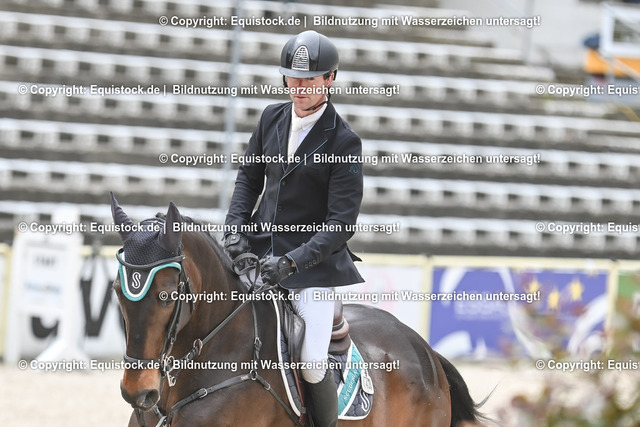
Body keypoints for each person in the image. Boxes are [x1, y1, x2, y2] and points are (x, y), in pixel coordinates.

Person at [223, 30, 364, 427]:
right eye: (293, 78)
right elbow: (249, 179)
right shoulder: (271, 117)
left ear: (330, 79)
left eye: (310, 79)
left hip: (310, 270)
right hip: (257, 251)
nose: (299, 88)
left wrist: (292, 262)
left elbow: (341, 224)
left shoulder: (344, 141)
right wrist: (234, 228)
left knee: (312, 361)